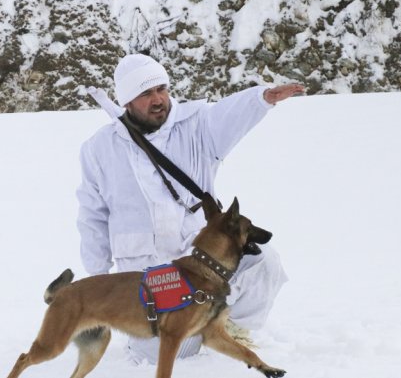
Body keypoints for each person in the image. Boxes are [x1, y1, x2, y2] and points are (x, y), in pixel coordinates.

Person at [76, 53, 304, 364]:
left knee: (263, 262)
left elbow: (229, 115)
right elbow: (93, 214)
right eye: (146, 93)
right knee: (173, 353)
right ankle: (170, 340)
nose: (158, 100)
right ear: (127, 101)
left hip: (204, 261)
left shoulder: (197, 126)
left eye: (161, 89)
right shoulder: (99, 149)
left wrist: (261, 99)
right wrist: (97, 276)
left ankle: (231, 330)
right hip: (150, 274)